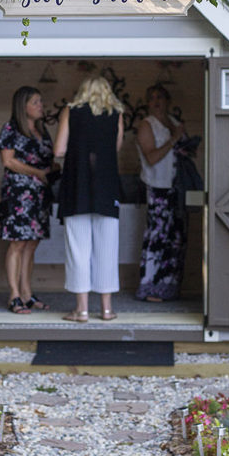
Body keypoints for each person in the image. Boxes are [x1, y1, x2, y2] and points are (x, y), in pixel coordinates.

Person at [54, 76, 125, 322]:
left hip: (77, 187)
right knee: (107, 249)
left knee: (78, 249)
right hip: (107, 187)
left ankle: (81, 310)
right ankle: (106, 309)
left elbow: (59, 150)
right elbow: (116, 147)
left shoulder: (71, 111)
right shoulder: (116, 114)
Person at [0, 86, 57, 314]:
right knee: (17, 243)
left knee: (32, 244)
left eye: (41, 102)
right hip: (19, 194)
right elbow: (8, 161)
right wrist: (38, 173)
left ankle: (27, 294)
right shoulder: (11, 128)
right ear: (24, 106)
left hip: (40, 195)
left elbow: (48, 159)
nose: (41, 106)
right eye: (36, 102)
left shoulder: (42, 131)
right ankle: (14, 295)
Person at [136, 84, 188, 302]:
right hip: (157, 186)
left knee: (176, 237)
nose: (156, 101)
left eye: (160, 97)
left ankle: (169, 287)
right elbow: (152, 157)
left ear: (168, 100)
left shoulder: (176, 123)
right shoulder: (148, 125)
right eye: (152, 97)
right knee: (157, 235)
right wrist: (174, 139)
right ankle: (150, 287)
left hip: (178, 187)